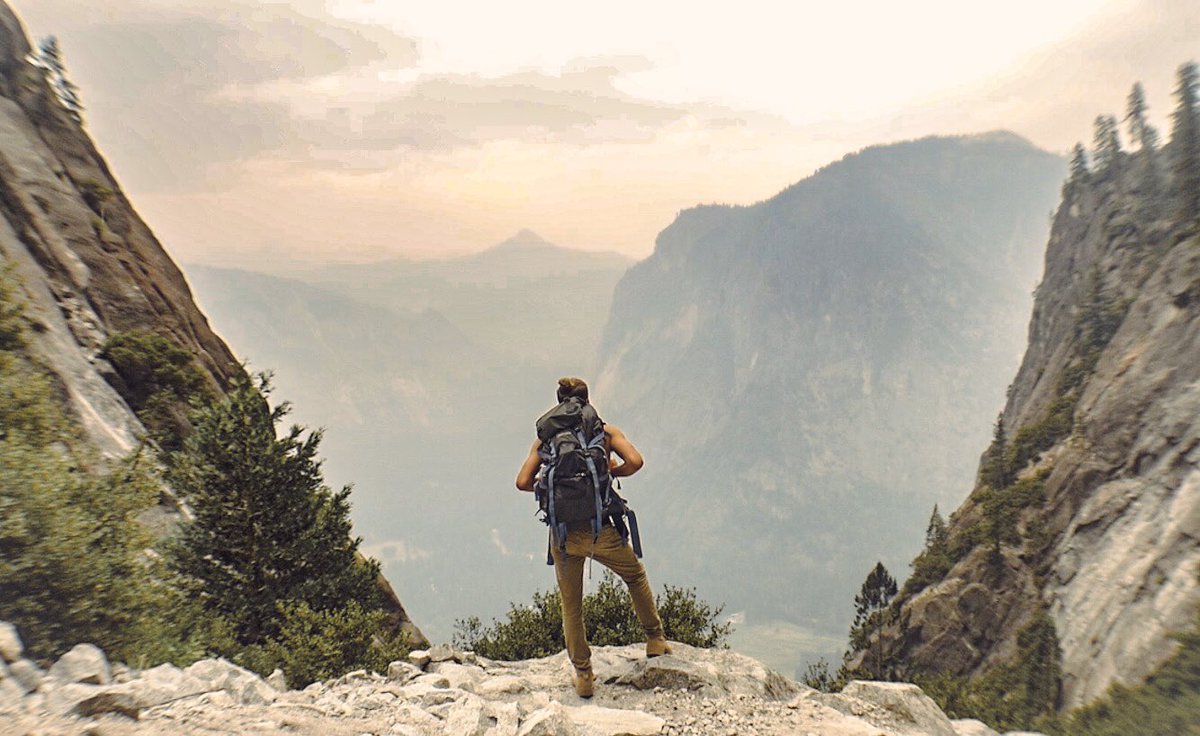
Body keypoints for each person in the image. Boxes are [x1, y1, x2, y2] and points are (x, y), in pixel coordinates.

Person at [515, 377, 671, 698]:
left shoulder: (546, 437)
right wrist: (609, 473)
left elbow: (522, 481)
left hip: (564, 535)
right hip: (602, 529)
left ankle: (584, 676)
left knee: (571, 606)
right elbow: (636, 462)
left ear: (559, 402)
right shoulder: (606, 431)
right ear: (587, 400)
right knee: (634, 576)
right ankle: (655, 640)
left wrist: (548, 488)